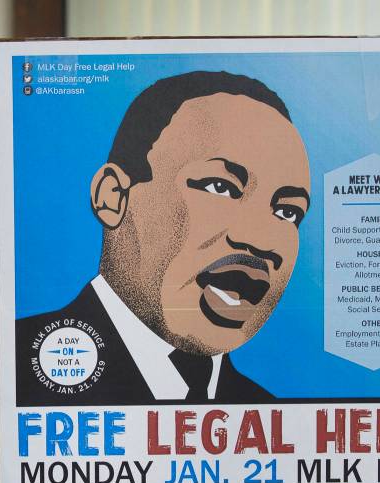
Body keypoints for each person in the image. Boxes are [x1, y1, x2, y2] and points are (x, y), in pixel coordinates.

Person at [16, 71, 310, 405]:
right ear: (113, 198)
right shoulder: (17, 364)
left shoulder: (272, 414)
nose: (261, 241)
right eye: (220, 187)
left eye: (288, 212)